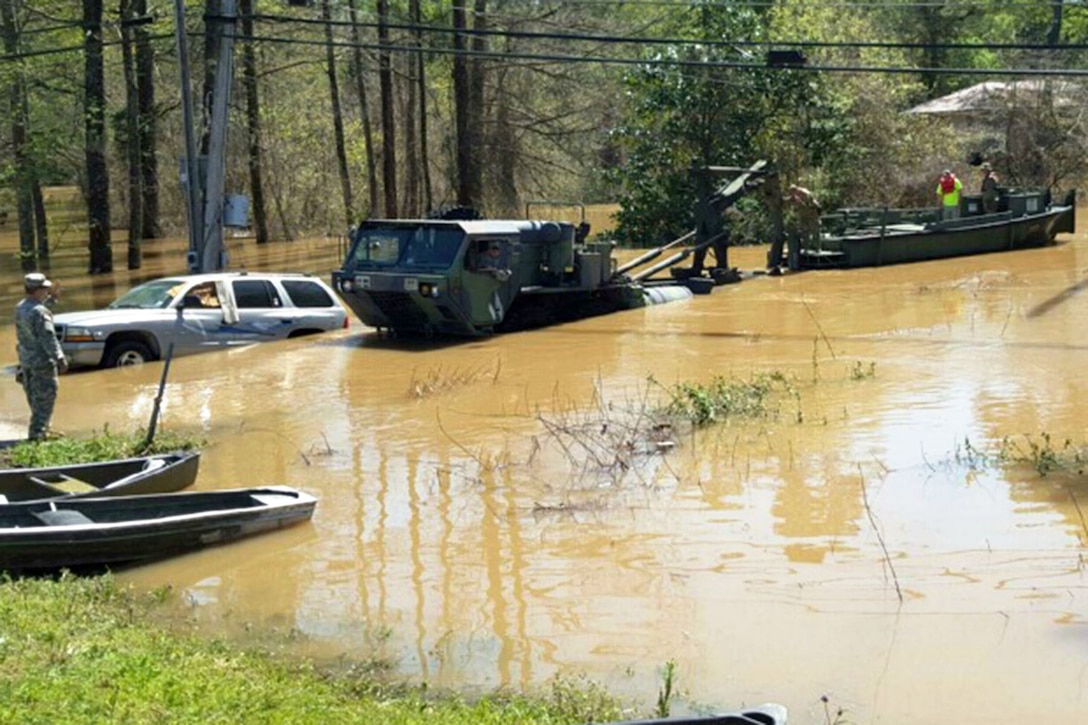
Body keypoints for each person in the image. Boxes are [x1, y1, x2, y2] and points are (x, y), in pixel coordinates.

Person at [15, 272, 68, 441]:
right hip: (42, 362)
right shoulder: (39, 311)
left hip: (26, 361)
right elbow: (48, 337)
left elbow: (36, 315)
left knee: (34, 398)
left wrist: (53, 300)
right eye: (45, 289)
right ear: (37, 290)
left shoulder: (21, 307)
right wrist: (59, 357)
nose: (47, 291)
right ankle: (37, 436)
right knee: (45, 399)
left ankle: (44, 430)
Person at [778, 184, 821, 273]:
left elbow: (809, 204)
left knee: (815, 230)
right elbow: (789, 200)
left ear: (796, 189)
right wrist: (782, 199)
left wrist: (800, 202)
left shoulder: (805, 193)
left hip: (812, 214)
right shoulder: (795, 195)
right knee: (805, 232)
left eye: (792, 192)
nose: (791, 194)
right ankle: (806, 249)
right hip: (803, 215)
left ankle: (817, 248)